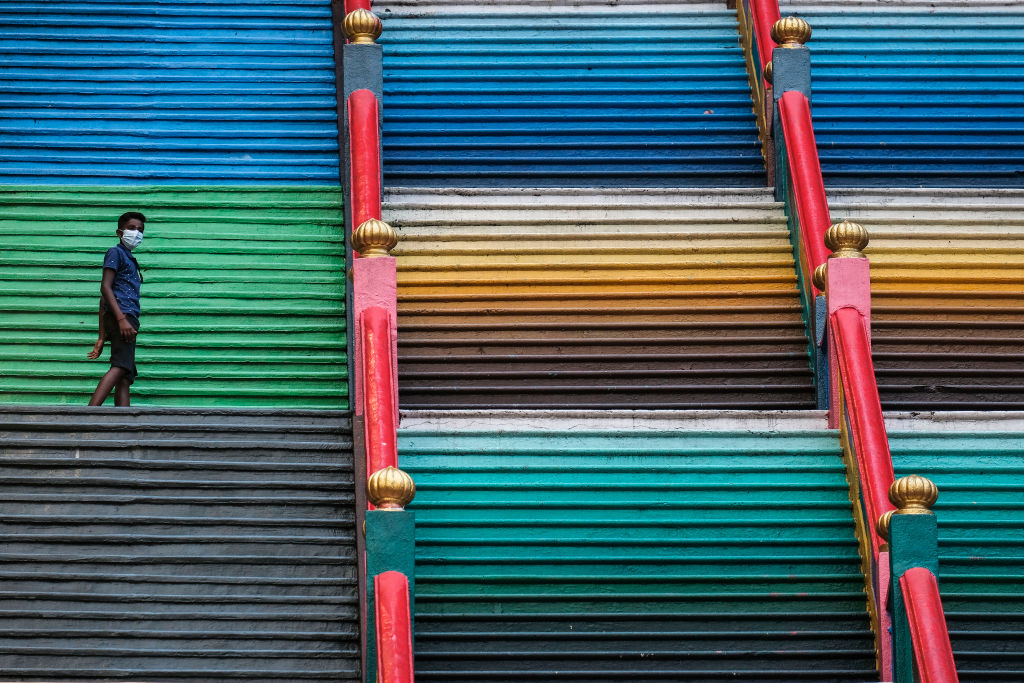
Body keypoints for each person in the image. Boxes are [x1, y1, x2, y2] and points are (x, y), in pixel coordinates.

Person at [88, 212, 145, 406]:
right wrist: (122, 320)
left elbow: (104, 299)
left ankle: (123, 421)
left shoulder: (129, 259)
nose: (136, 233)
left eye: (140, 230)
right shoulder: (116, 252)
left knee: (125, 375)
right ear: (119, 233)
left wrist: (101, 337)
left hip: (122, 317)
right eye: (131, 228)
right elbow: (105, 287)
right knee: (120, 367)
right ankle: (87, 415)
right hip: (123, 317)